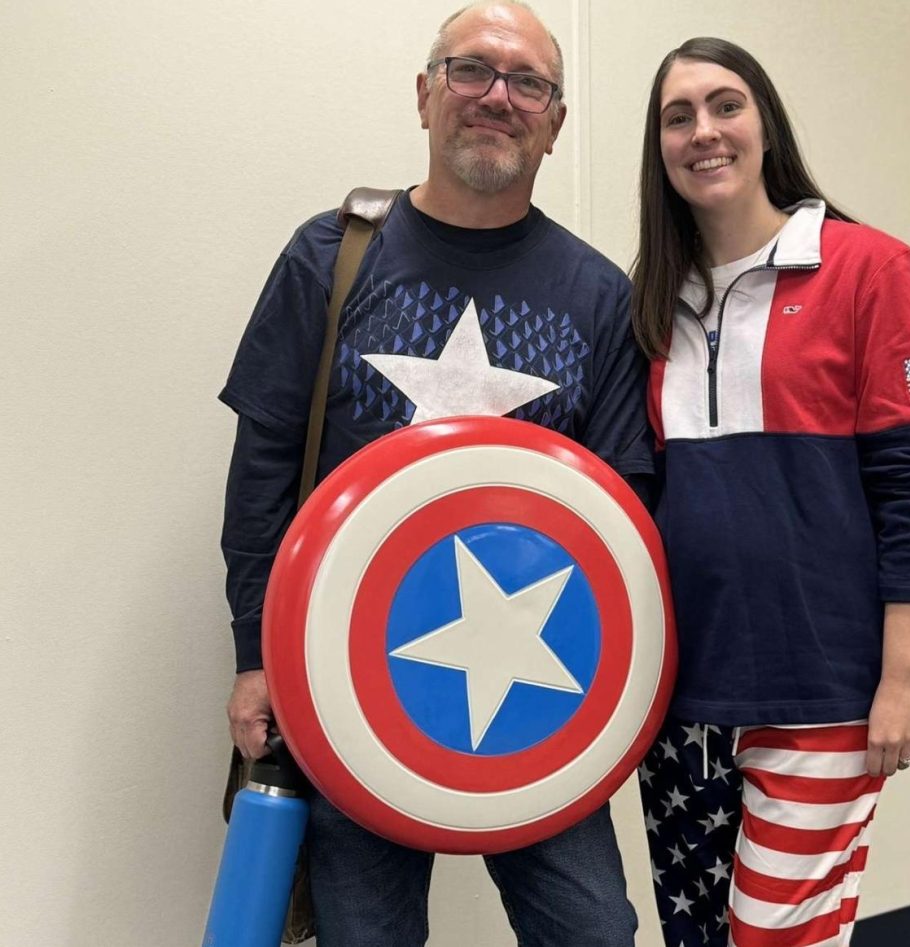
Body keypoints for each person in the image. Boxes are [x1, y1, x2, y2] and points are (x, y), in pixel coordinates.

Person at [219, 3, 650, 944]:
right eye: (471, 71)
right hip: (343, 685)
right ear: (425, 95)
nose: (498, 97)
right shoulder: (330, 257)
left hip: (544, 679)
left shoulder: (598, 296)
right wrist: (257, 653)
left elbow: (625, 516)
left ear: (556, 122)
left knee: (594, 932)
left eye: (528, 82)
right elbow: (262, 472)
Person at [629, 37, 910, 947]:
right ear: (658, 147)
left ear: (764, 122)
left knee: (780, 939)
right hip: (680, 699)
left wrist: (905, 676)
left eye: (725, 104)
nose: (705, 130)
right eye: (678, 115)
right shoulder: (652, 298)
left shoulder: (867, 268)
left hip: (821, 688)